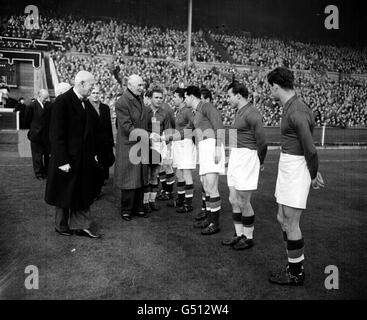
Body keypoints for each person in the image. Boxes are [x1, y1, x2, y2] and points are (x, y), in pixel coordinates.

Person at [266, 67, 325, 285]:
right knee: (282, 218)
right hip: (288, 165)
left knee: (291, 222)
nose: (270, 91)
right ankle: (293, 264)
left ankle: (296, 273)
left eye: (270, 88)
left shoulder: (297, 111)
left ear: (275, 86)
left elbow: (310, 148)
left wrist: (312, 172)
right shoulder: (290, 106)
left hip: (296, 167)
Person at [45, 71, 102, 239]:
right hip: (66, 159)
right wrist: (62, 160)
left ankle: (81, 226)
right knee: (64, 193)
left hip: (82, 159)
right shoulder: (63, 101)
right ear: (82, 83)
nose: (93, 87)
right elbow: (56, 134)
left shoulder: (85, 102)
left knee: (81, 192)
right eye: (91, 84)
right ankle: (61, 226)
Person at [221, 81, 267, 250]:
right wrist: (230, 156)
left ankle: (248, 237)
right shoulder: (238, 112)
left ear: (238, 96)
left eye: (229, 96)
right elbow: (234, 135)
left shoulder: (253, 113)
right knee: (233, 199)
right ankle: (238, 233)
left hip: (247, 157)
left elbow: (262, 142)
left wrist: (259, 161)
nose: (228, 99)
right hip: (236, 157)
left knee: (243, 201)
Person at [185, 85, 225, 235]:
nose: (185, 100)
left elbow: (219, 126)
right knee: (206, 186)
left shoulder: (207, 106)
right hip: (203, 147)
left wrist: (217, 148)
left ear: (191, 96)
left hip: (211, 145)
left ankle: (215, 223)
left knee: (211, 186)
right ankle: (209, 219)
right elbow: (187, 131)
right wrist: (165, 137)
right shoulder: (195, 113)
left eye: (185, 97)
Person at [114, 74, 151, 221]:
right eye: (139, 85)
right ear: (130, 85)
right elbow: (126, 126)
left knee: (140, 177)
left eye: (142, 85)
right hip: (129, 145)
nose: (142, 88)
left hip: (140, 143)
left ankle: (138, 207)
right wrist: (147, 135)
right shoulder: (122, 102)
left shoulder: (138, 98)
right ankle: (127, 210)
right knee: (129, 179)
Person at [143, 87, 172, 213]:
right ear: (150, 98)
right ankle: (144, 202)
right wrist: (150, 135)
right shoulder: (144, 112)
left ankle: (151, 201)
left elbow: (168, 132)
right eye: (156, 97)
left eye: (161, 98)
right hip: (145, 146)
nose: (159, 100)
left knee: (154, 174)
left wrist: (164, 140)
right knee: (145, 174)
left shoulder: (164, 113)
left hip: (158, 147)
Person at [170, 87, 196, 213]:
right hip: (178, 144)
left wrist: (182, 135)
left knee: (186, 174)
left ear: (181, 99)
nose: (173, 99)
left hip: (185, 143)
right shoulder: (179, 111)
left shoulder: (187, 111)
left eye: (175, 97)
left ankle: (188, 204)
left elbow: (193, 126)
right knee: (179, 174)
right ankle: (181, 200)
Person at [89, 84, 115, 199]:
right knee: (92, 167)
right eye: (93, 93)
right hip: (91, 143)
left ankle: (98, 190)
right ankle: (92, 190)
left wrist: (111, 143)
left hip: (104, 143)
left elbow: (109, 126)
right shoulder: (86, 107)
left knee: (103, 166)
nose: (95, 95)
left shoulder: (105, 108)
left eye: (97, 93)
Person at [25, 89, 51, 180]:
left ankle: (47, 172)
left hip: (46, 136)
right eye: (45, 98)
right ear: (39, 96)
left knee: (47, 155)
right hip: (36, 136)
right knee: (37, 156)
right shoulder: (31, 106)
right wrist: (34, 129)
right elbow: (27, 120)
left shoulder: (49, 105)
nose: (47, 100)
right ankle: (38, 173)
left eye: (48, 98)